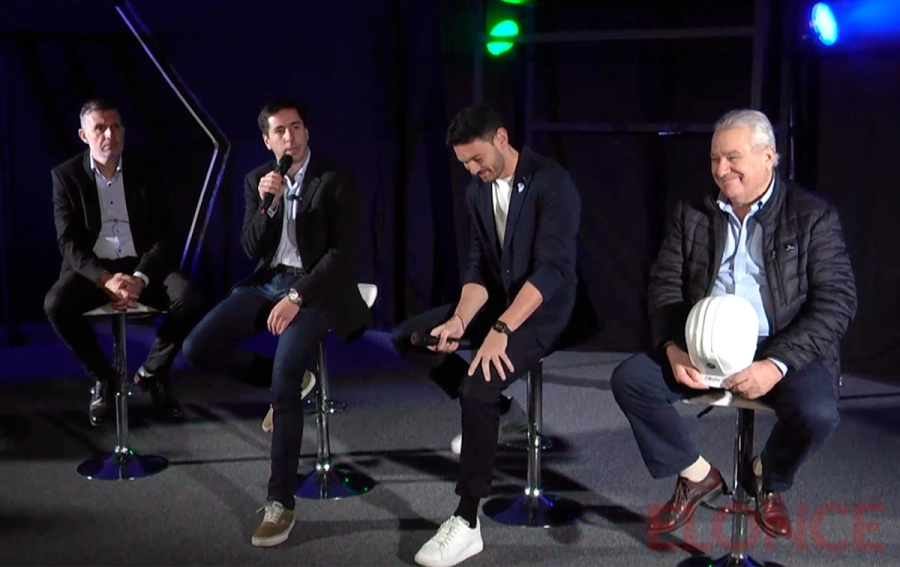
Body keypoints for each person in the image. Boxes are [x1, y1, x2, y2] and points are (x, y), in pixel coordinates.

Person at [610, 109, 857, 540]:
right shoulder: (693, 211)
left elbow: (837, 302)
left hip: (782, 345)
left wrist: (776, 364)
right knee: (631, 380)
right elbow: (664, 285)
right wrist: (672, 347)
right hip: (701, 345)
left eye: (732, 158)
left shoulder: (812, 216)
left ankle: (767, 476)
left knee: (817, 413)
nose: (721, 170)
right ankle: (696, 475)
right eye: (714, 159)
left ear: (768, 156)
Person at [392, 105, 581, 567]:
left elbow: (552, 271)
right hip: (500, 301)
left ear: (501, 137)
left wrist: (501, 329)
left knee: (476, 389)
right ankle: (504, 414)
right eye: (464, 164)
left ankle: (467, 520)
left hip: (546, 308)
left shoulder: (552, 183)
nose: (473, 170)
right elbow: (478, 269)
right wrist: (460, 322)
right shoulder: (477, 192)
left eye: (477, 159)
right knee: (411, 338)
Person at [181, 98, 370, 548]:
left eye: (296, 127)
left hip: (317, 288)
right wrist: (270, 203)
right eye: (280, 131)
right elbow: (251, 248)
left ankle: (280, 503)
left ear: (307, 131)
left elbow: (343, 255)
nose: (290, 137)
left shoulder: (336, 179)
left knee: (282, 385)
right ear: (268, 141)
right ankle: (296, 379)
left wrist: (297, 296)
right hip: (268, 281)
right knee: (197, 347)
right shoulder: (257, 180)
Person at [44, 99, 204, 426]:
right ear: (84, 135)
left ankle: (153, 373)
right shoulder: (66, 176)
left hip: (142, 265)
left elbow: (165, 236)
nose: (109, 134)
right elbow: (68, 243)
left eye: (115, 127)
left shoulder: (147, 170)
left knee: (188, 299)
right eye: (100, 128)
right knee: (56, 305)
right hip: (95, 270)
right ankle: (104, 378)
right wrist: (106, 279)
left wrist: (140, 278)